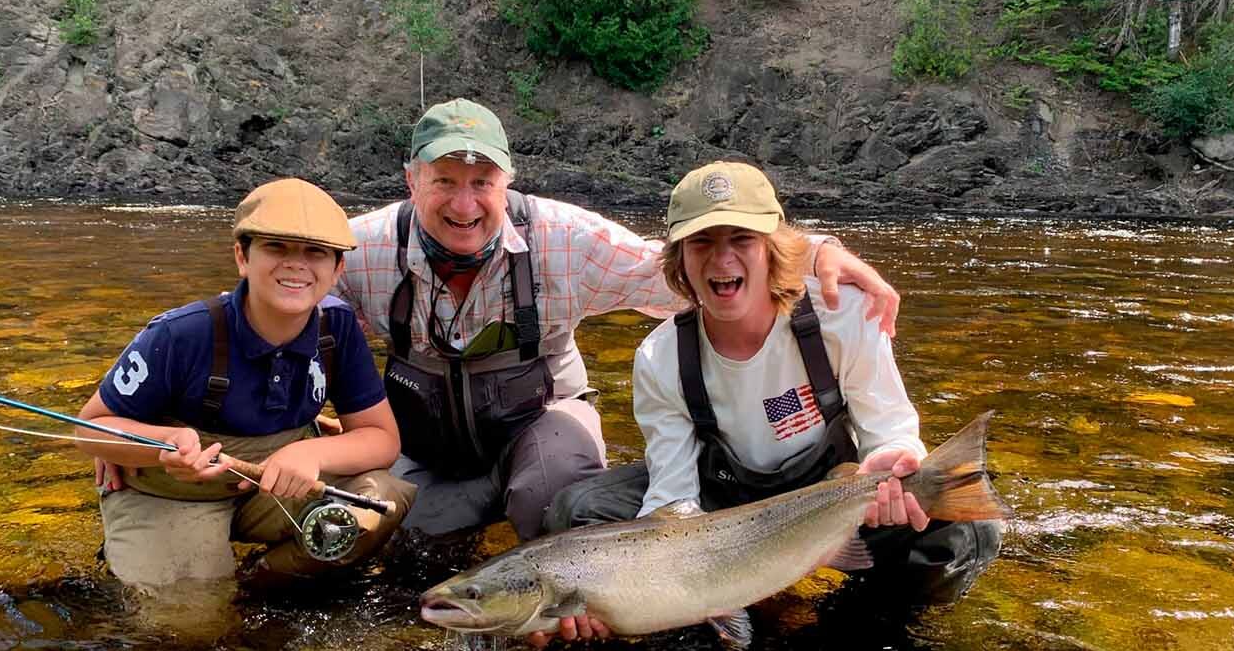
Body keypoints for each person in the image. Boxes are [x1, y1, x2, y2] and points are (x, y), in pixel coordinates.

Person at [328, 99, 902, 568]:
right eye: (443, 181)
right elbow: (289, 312)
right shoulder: (358, 250)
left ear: (506, 182)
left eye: (482, 181)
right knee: (394, 552)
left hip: (540, 425)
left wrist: (819, 251)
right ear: (410, 180)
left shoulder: (565, 240)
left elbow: (694, 275)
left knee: (558, 512)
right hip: (426, 447)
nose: (464, 203)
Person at [540, 161, 1002, 645]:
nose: (722, 262)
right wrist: (613, 594)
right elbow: (673, 499)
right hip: (724, 514)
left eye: (741, 239)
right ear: (678, 260)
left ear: (772, 249)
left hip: (836, 502)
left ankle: (855, 627)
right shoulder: (660, 358)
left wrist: (891, 461)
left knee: (962, 526)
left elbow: (888, 427)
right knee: (581, 511)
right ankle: (737, 604)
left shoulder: (841, 314)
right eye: (702, 243)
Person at [76, 178, 416, 596]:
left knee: (379, 502)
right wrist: (163, 443)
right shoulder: (181, 334)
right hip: (172, 496)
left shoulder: (337, 329)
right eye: (276, 247)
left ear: (337, 269)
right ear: (242, 256)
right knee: (188, 629)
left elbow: (382, 439)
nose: (296, 264)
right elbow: (89, 429)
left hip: (275, 491)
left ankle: (258, 583)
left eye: (315, 252)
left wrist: (310, 451)